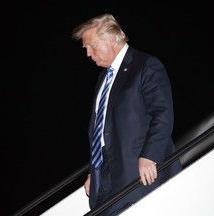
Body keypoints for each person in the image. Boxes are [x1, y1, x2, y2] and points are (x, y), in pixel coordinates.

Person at [72, 13, 182, 215]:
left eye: (91, 46)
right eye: (86, 48)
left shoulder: (145, 65)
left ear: (112, 38)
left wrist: (150, 155)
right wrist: (94, 171)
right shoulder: (103, 79)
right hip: (105, 178)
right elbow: (103, 130)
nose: (88, 53)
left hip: (135, 172)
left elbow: (162, 114)